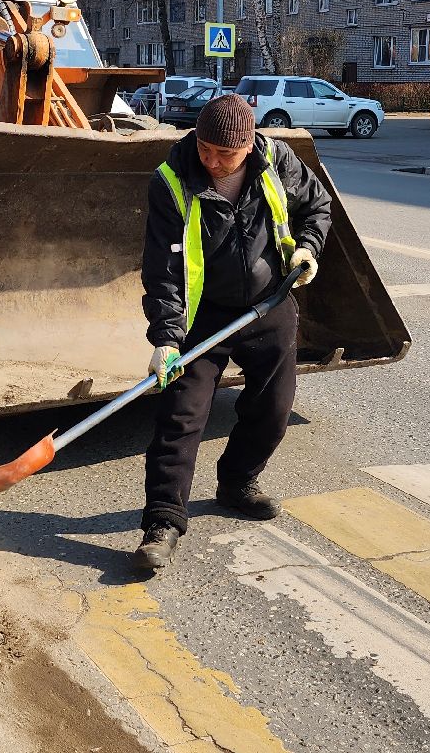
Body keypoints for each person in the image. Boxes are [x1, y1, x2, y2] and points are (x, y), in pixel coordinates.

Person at [132, 93, 330, 572]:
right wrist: (165, 338)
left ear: (249, 145)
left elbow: (317, 205)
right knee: (181, 416)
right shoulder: (172, 180)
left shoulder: (276, 161)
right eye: (205, 148)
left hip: (268, 305)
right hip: (204, 316)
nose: (213, 161)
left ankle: (238, 482)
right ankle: (162, 521)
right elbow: (162, 267)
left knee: (274, 406)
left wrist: (307, 249)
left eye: (225, 154)